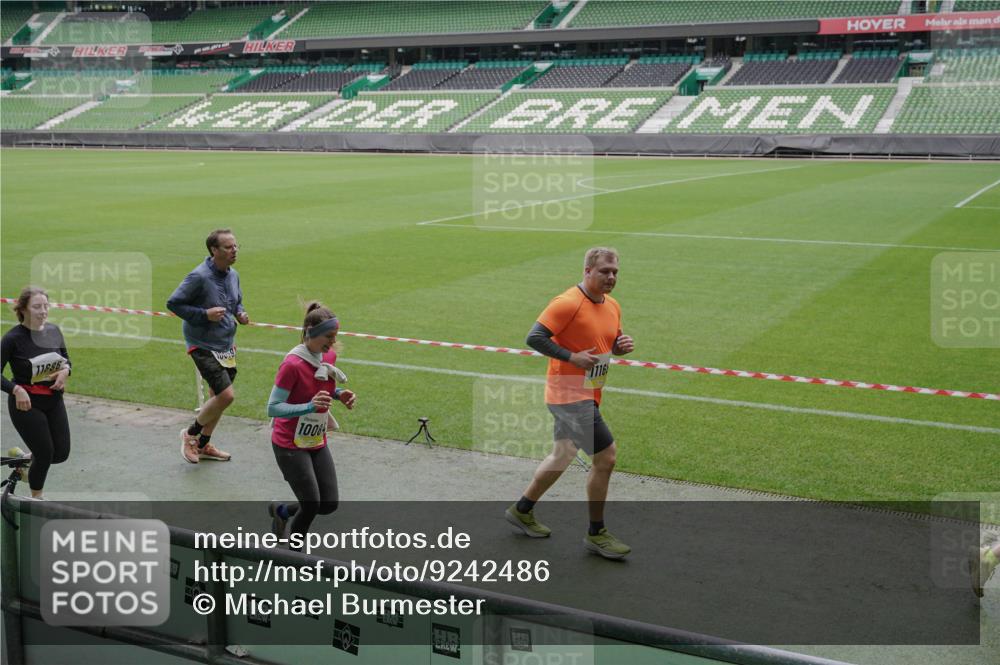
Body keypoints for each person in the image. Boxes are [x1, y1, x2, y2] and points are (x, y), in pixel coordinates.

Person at [506, 247, 635, 560]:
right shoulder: (567, 303)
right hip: (568, 395)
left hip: (589, 391)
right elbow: (534, 337)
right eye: (604, 271)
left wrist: (619, 347)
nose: (611, 277)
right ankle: (596, 533)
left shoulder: (613, 305)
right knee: (606, 457)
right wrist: (570, 356)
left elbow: (605, 341)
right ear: (587, 271)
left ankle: (521, 511)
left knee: (562, 455)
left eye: (615, 271)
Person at [267, 302, 356, 543]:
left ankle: (281, 512)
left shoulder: (328, 357)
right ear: (310, 333)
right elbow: (273, 408)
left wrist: (339, 394)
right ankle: (295, 558)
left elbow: (319, 387)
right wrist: (309, 406)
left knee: (328, 504)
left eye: (335, 336)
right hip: (289, 444)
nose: (332, 342)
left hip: (315, 439)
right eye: (329, 336)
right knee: (311, 503)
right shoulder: (292, 365)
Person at [167, 229, 249, 464]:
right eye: (228, 247)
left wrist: (240, 313)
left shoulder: (234, 275)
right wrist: (204, 314)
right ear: (214, 250)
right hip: (201, 343)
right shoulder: (199, 277)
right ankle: (190, 434)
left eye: (236, 246)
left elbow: (237, 301)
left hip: (226, 343)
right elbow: (173, 303)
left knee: (216, 397)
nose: (234, 251)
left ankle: (203, 444)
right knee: (226, 396)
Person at [1, 287, 71, 499]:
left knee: (60, 454)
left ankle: (23, 462)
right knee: (44, 454)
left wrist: (65, 372)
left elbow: (67, 361)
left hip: (54, 400)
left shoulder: (54, 331)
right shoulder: (13, 339)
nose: (43, 311)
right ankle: (37, 500)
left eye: (45, 306)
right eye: (36, 307)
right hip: (26, 404)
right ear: (23, 309)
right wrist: (16, 389)